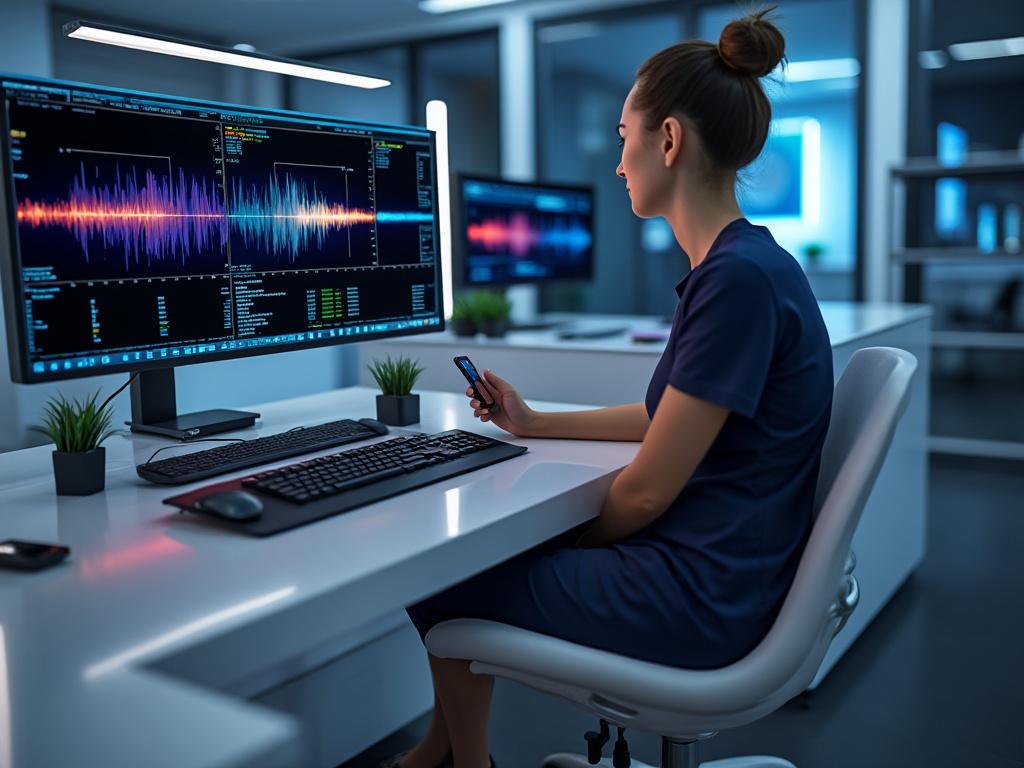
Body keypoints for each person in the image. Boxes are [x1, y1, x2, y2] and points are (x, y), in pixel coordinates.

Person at [385, 7, 833, 768]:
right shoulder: (744, 268)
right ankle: (444, 751)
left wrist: (559, 540)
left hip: (700, 597)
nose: (619, 163)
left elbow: (650, 493)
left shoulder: (736, 284)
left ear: (669, 140)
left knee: (441, 573)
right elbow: (667, 419)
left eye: (627, 139)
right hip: (729, 571)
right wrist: (535, 422)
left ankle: (462, 761)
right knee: (460, 566)